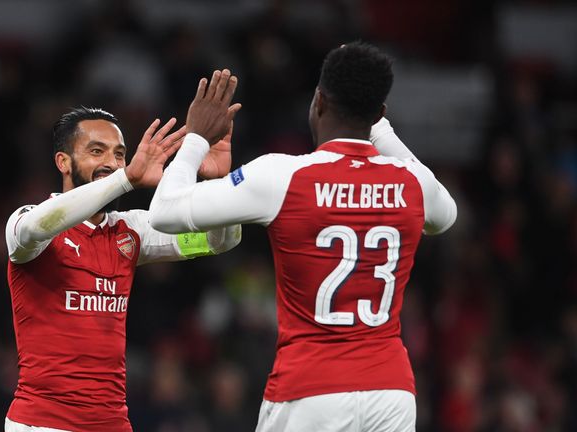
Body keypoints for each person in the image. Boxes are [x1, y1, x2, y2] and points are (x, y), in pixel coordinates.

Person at [149, 43, 457, 431]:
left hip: (311, 390)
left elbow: (165, 212)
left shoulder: (282, 176)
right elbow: (446, 216)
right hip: (391, 392)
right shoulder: (413, 181)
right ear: (379, 113)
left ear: (319, 101)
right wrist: (378, 123)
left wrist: (195, 138)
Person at [3, 107, 242, 432]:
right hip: (42, 424)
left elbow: (219, 241)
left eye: (120, 155)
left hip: (113, 423)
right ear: (63, 162)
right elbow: (37, 226)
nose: (112, 163)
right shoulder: (29, 223)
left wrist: (219, 184)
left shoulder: (131, 231)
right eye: (96, 151)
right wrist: (126, 179)